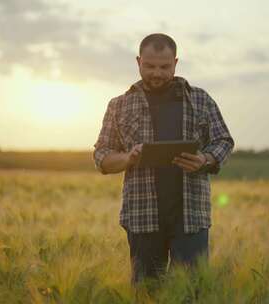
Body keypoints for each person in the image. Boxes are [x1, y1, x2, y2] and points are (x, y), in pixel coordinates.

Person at [93, 33, 234, 286]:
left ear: (176, 63)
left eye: (164, 67)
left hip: (191, 218)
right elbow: (101, 155)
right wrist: (128, 158)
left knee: (190, 294)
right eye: (149, 66)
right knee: (147, 294)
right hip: (142, 217)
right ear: (138, 62)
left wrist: (204, 159)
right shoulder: (119, 105)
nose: (156, 73)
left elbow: (224, 141)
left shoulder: (201, 99)